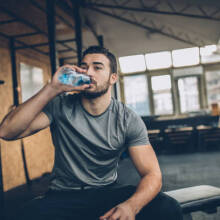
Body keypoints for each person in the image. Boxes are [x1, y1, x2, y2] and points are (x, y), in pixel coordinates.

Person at [0, 46, 183, 220]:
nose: (88, 73)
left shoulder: (127, 119)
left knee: (167, 208)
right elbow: (7, 131)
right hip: (63, 196)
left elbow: (152, 174)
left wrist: (130, 206)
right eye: (83, 67)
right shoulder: (60, 106)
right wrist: (52, 88)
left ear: (113, 78)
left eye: (97, 68)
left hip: (106, 192)